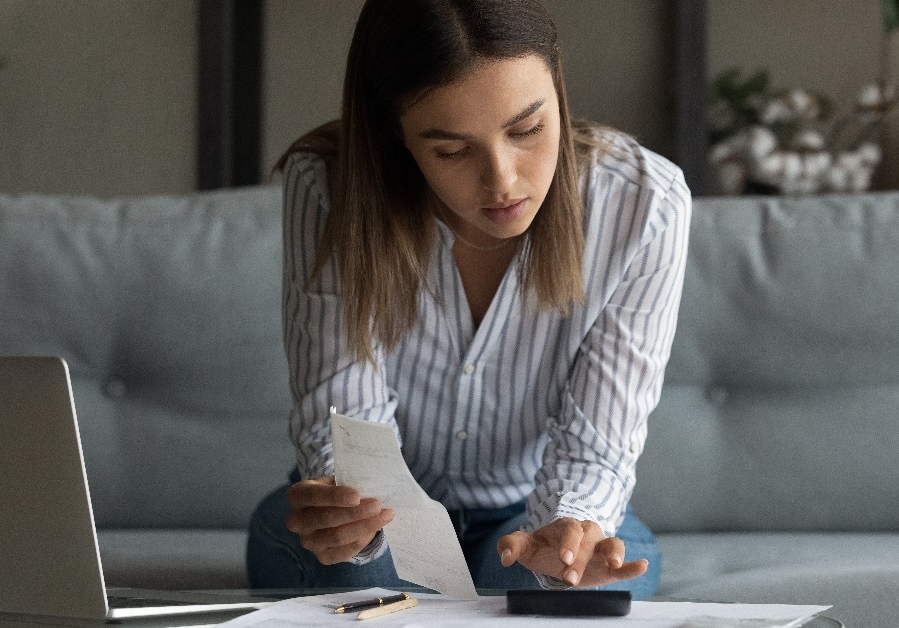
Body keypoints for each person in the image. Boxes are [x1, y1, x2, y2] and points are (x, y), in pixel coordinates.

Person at [246, 0, 690, 599]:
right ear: (397, 134)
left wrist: (566, 529)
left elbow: (597, 448)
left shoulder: (644, 204)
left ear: (558, 90)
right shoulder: (328, 186)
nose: (503, 180)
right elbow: (348, 434)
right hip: (386, 512)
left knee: (570, 583)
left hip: (529, 504)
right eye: (451, 151)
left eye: (527, 130)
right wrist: (352, 521)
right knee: (360, 575)